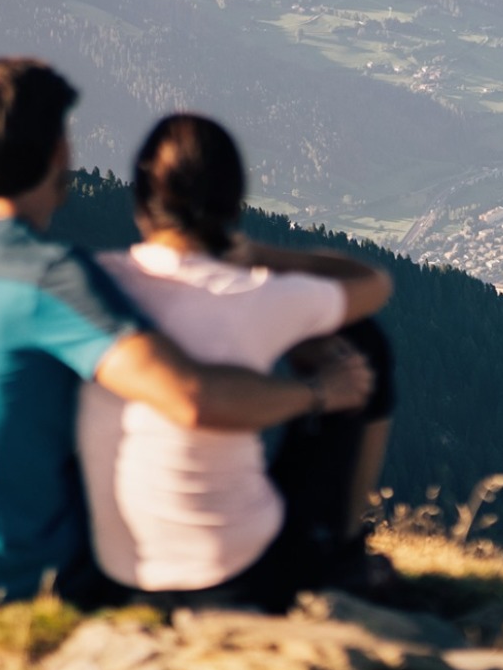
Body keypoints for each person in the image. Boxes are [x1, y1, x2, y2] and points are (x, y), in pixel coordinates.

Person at [0, 57, 376, 610]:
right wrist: (320, 393)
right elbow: (191, 396)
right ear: (57, 151)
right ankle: (334, 556)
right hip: (16, 576)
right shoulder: (48, 277)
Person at [78, 113, 398, 611]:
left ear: (142, 197)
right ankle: (339, 550)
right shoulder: (253, 293)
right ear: (233, 202)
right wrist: (259, 255)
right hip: (240, 575)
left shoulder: (96, 282)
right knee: (360, 340)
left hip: (119, 569)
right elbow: (373, 284)